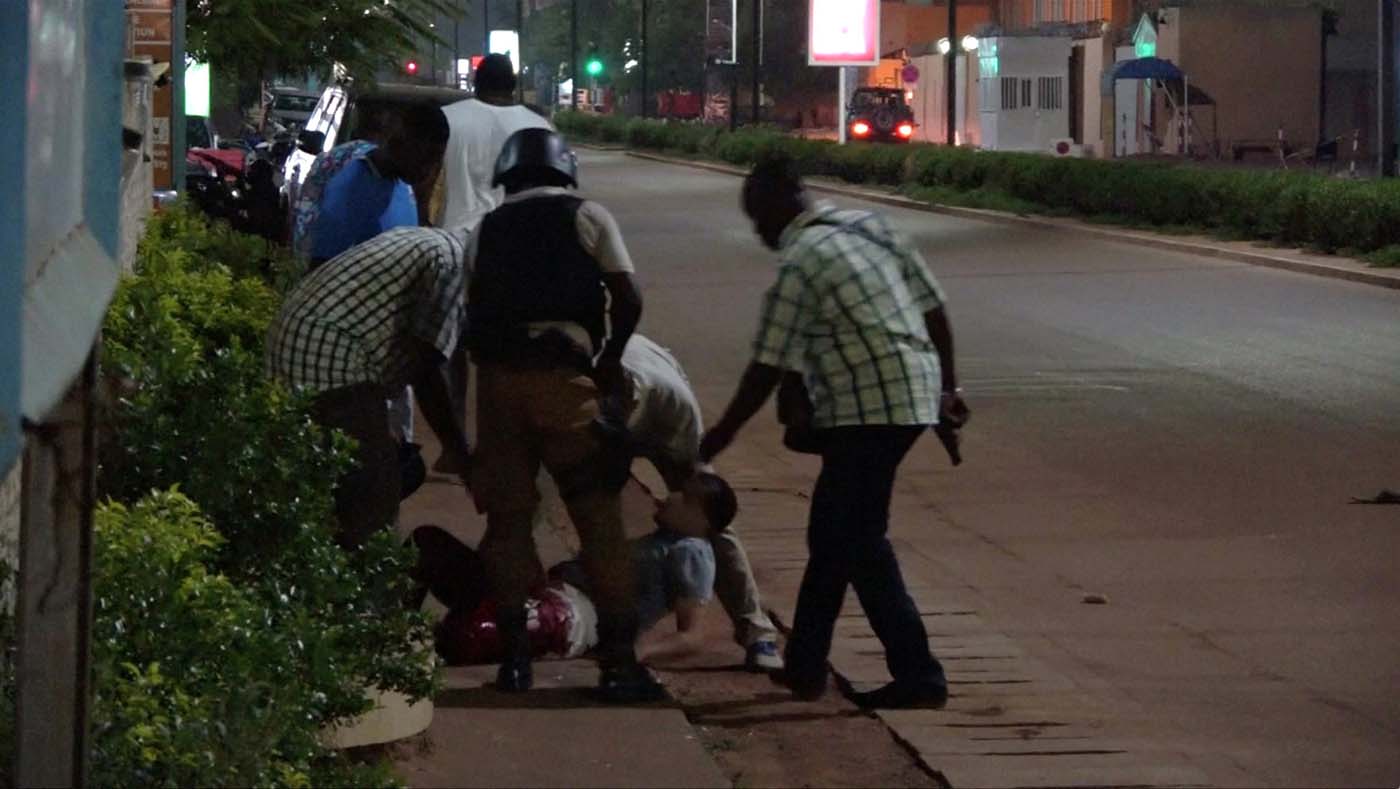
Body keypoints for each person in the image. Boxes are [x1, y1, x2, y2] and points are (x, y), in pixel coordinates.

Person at [698, 153, 970, 710]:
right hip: (911, 393)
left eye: (759, 219)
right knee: (837, 538)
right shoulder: (870, 225)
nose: (760, 233)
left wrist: (720, 435)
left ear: (780, 206)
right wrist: (947, 391)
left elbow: (766, 366)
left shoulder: (800, 261)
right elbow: (934, 308)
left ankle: (919, 676)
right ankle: (808, 668)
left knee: (856, 540)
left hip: (868, 410)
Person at [466, 127, 654, 702]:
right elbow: (628, 295)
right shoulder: (587, 215)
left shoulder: (485, 228)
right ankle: (619, 664)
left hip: (499, 387)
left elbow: (472, 309)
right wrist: (609, 358)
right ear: (563, 171)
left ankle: (516, 663)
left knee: (507, 524)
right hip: (564, 382)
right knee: (598, 520)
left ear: (507, 176)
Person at [265, 226, 473, 549]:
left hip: (303, 346)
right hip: (328, 361)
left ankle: (323, 556)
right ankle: (356, 585)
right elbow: (429, 370)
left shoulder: (430, 243)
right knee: (375, 491)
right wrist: (459, 450)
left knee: (362, 469)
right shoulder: (453, 266)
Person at [415, 472, 739, 667]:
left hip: (574, 619)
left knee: (470, 635)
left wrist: (637, 651)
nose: (671, 496)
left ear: (703, 521)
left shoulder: (693, 551)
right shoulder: (663, 539)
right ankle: (387, 632)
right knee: (426, 543)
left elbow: (693, 636)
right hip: (545, 592)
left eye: (686, 499)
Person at [619, 334, 783, 672]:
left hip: (662, 415)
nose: (669, 498)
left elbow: (706, 508)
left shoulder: (672, 404)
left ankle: (756, 632)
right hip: (609, 407)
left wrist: (693, 492)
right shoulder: (576, 388)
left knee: (712, 517)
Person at [307, 103, 449, 267]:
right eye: (427, 157)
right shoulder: (352, 190)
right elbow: (322, 268)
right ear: (401, 143)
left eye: (436, 161)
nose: (429, 170)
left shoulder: (403, 186)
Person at [438, 53, 553, 233]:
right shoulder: (540, 126)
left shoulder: (444, 119)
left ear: (475, 82)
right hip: (517, 239)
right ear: (513, 85)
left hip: (454, 238)